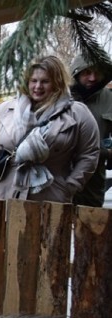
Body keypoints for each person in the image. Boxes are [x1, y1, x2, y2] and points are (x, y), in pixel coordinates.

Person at [0, 55, 99, 203]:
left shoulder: (78, 113)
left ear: (57, 82)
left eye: (45, 81)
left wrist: (70, 185)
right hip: (5, 193)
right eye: (34, 81)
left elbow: (89, 154)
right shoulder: (5, 109)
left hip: (51, 195)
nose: (38, 87)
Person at [70, 54, 112, 207]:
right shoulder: (61, 97)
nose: (93, 78)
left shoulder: (110, 99)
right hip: (60, 176)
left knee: (91, 226)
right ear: (77, 73)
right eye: (87, 72)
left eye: (97, 72)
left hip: (93, 181)